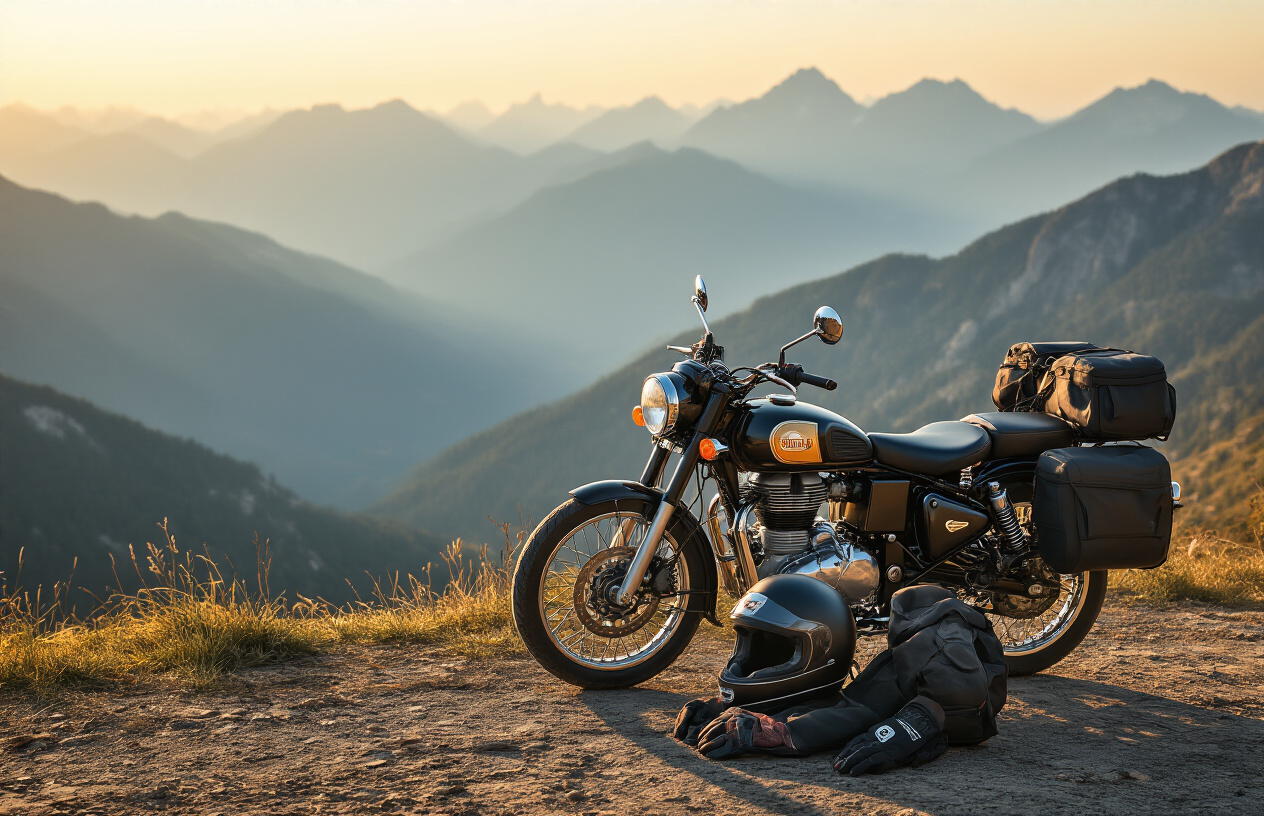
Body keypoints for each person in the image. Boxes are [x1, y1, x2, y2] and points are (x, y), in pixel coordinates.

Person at [673, 575, 1007, 775]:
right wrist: (725, 706)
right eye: (746, 642)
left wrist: (780, 731)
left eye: (769, 650)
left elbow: (857, 713)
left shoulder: (890, 686)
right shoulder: (848, 689)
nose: (744, 663)